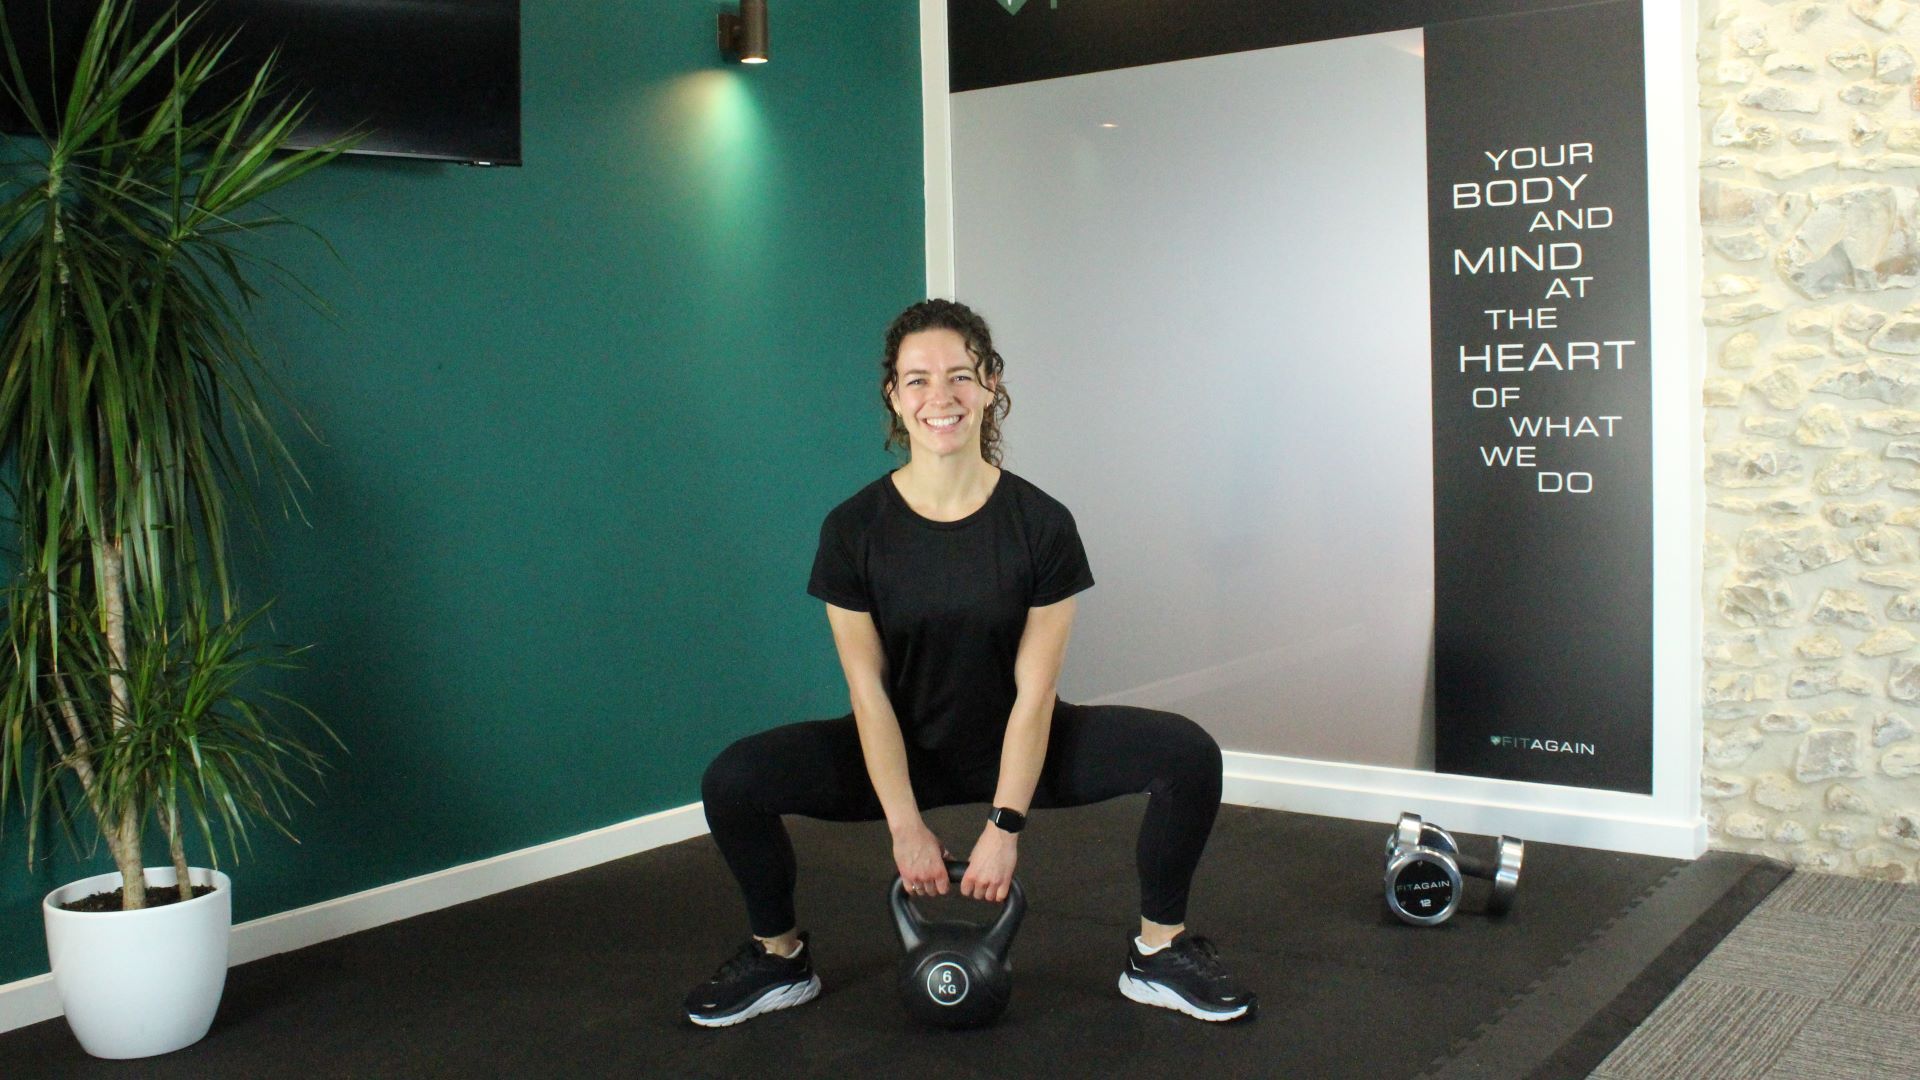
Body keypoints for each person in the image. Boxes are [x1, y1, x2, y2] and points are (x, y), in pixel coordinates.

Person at [683, 298, 1254, 1027]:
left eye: (960, 375)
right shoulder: (853, 529)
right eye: (917, 380)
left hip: (1018, 744)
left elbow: (1035, 692)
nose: (940, 397)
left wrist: (1006, 825)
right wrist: (903, 825)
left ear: (990, 384)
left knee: (1187, 754)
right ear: (893, 395)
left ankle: (1159, 953)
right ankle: (779, 958)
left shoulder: (1041, 524)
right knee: (734, 780)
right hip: (896, 749)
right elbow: (868, 691)